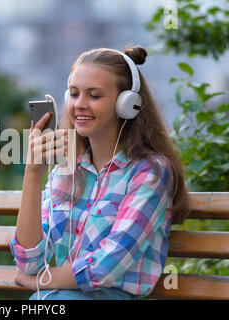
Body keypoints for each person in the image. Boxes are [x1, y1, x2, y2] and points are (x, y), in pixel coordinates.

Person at [10, 45, 191, 300]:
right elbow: (28, 262)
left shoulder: (149, 173)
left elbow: (103, 269)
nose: (80, 105)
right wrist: (33, 172)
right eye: (74, 94)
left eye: (94, 96)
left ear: (126, 104)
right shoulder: (66, 170)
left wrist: (36, 281)